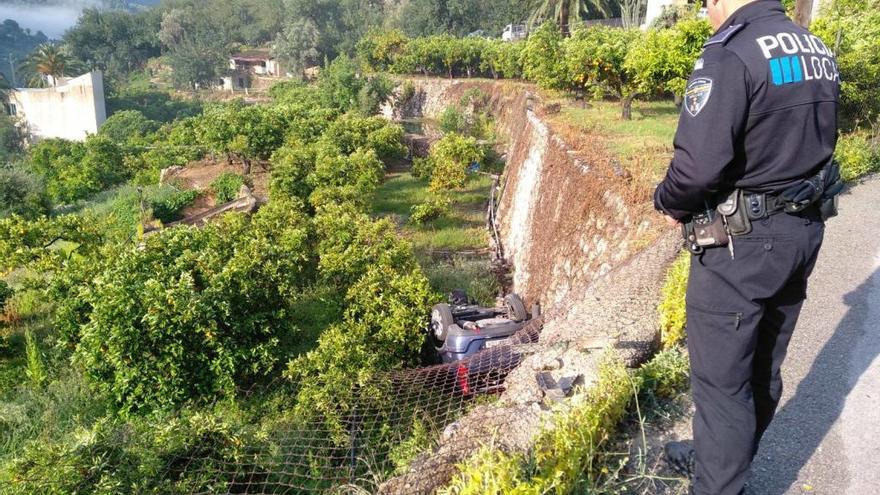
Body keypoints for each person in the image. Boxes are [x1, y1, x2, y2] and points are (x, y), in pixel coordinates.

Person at [652, 0, 840, 494]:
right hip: (802, 230)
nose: (707, 15)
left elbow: (696, 169)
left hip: (741, 245)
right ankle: (720, 460)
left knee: (721, 385)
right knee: (761, 366)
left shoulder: (729, 54)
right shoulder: (813, 46)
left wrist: (667, 200)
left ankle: (718, 483)